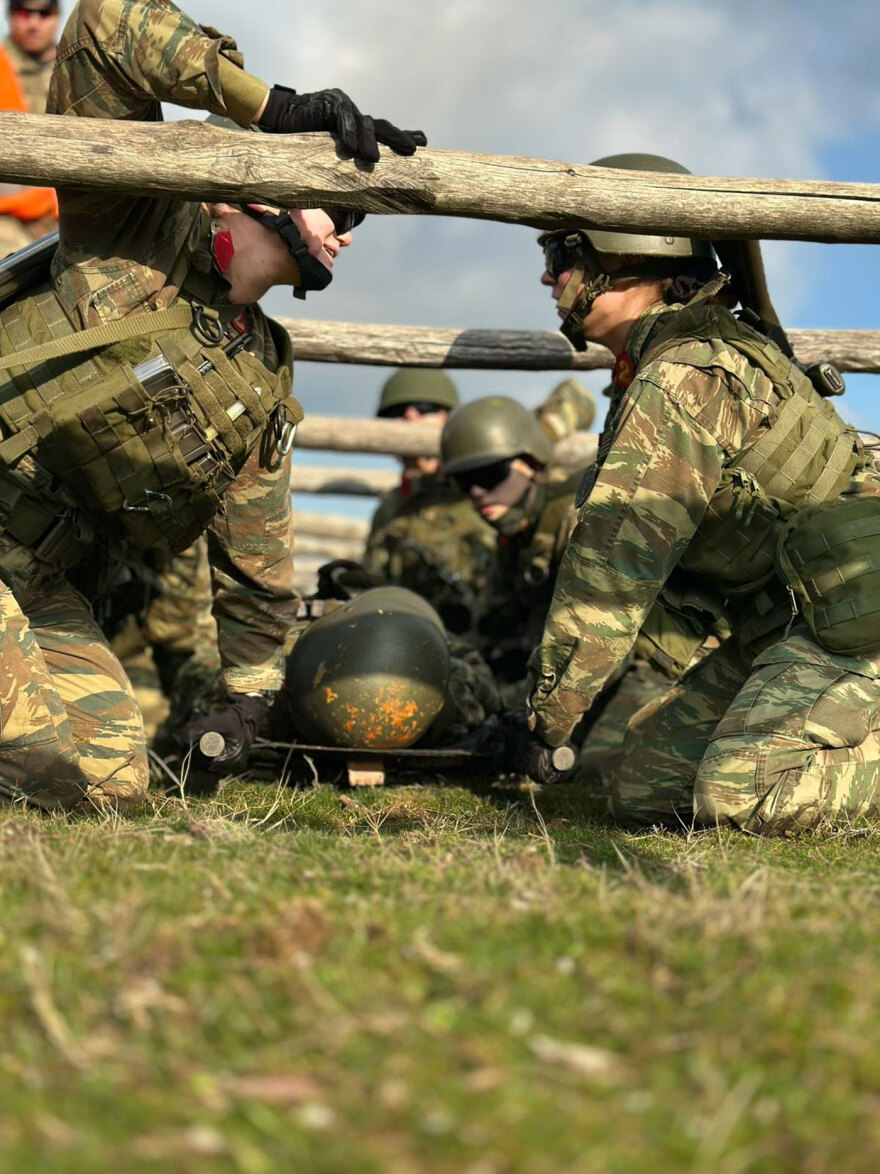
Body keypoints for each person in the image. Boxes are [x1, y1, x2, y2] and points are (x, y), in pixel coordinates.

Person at [0, 0, 425, 811]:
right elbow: (103, 23)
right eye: (337, 208)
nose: (347, 234)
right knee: (36, 758)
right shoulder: (137, 223)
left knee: (110, 782)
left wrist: (254, 693)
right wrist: (274, 108)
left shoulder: (263, 370)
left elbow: (255, 555)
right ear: (258, 191)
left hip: (38, 576)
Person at [526, 152, 880, 834]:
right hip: (797, 622)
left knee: (738, 792)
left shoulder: (682, 376)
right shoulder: (677, 361)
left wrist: (548, 718)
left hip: (857, 619)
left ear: (624, 255)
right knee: (647, 791)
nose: (548, 275)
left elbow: (612, 573)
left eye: (561, 253)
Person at [362, 368, 497, 634]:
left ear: (449, 417)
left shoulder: (481, 486)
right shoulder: (389, 508)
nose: (410, 417)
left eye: (425, 408)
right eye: (396, 412)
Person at [0, 0, 59, 255]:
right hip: (8, 219)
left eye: (43, 13)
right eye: (24, 12)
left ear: (56, 17)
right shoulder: (3, 68)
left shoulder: (79, 71)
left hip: (71, 218)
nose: (33, 23)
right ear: (9, 15)